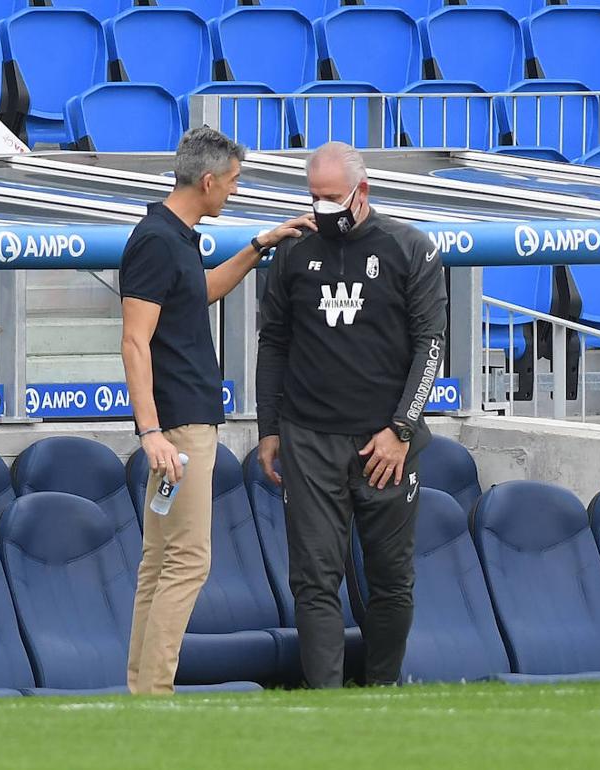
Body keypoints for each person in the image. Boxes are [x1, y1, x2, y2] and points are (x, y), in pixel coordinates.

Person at [120, 127, 312, 695]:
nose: (234, 191)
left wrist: (258, 246)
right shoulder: (156, 241)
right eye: (232, 181)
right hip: (178, 429)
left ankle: (141, 692)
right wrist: (151, 432)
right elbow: (134, 340)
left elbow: (198, 292)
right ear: (208, 181)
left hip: (182, 424)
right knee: (187, 561)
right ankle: (155, 693)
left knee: (161, 562)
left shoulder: (177, 237)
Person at [256, 142, 448, 689]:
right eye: (314, 197)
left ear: (362, 192)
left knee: (390, 578)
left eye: (332, 197)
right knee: (314, 579)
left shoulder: (409, 248)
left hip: (385, 443)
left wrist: (401, 430)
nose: (321, 208)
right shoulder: (293, 252)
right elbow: (273, 342)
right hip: (309, 439)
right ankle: (327, 702)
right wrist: (269, 428)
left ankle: (381, 690)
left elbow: (431, 345)